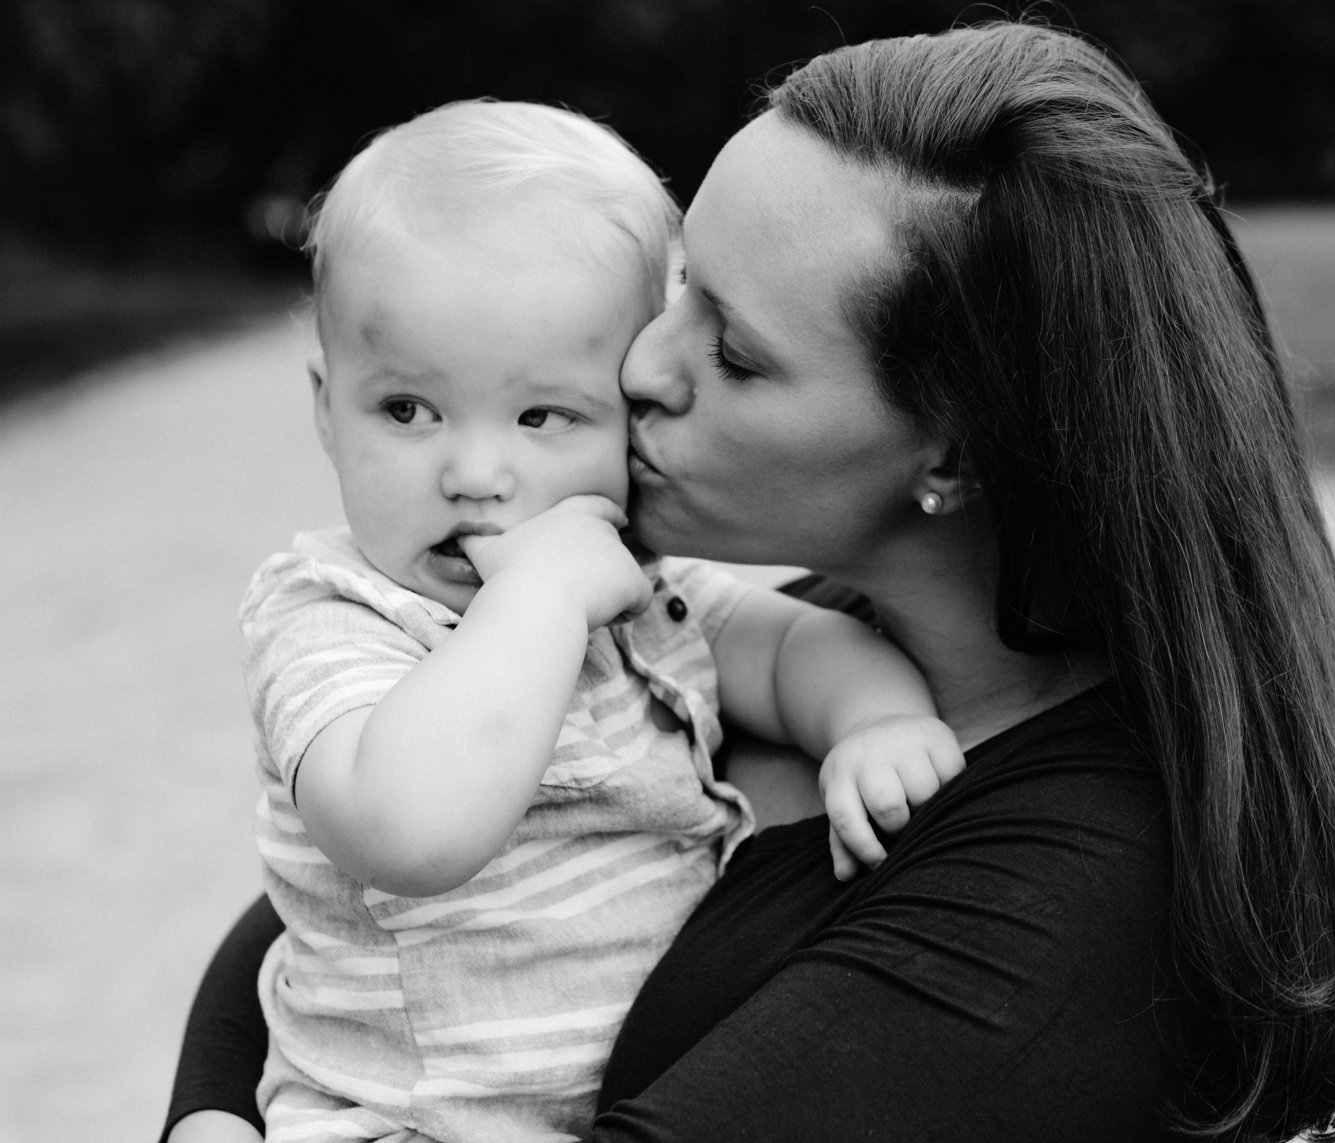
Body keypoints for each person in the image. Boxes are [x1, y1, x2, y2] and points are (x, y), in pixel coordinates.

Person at [164, 21, 1335, 1143]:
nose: (635, 372)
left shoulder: (1068, 898)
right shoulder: (778, 625)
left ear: (953, 449)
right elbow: (313, 916)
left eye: (729, 350)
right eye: (677, 294)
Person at [233, 98, 964, 1143]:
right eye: (405, 410)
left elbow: (799, 645)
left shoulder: (630, 592)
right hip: (406, 1121)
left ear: (627, 413)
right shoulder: (334, 617)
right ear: (323, 405)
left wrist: (876, 724)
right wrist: (535, 602)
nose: (474, 475)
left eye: (542, 417)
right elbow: (407, 831)